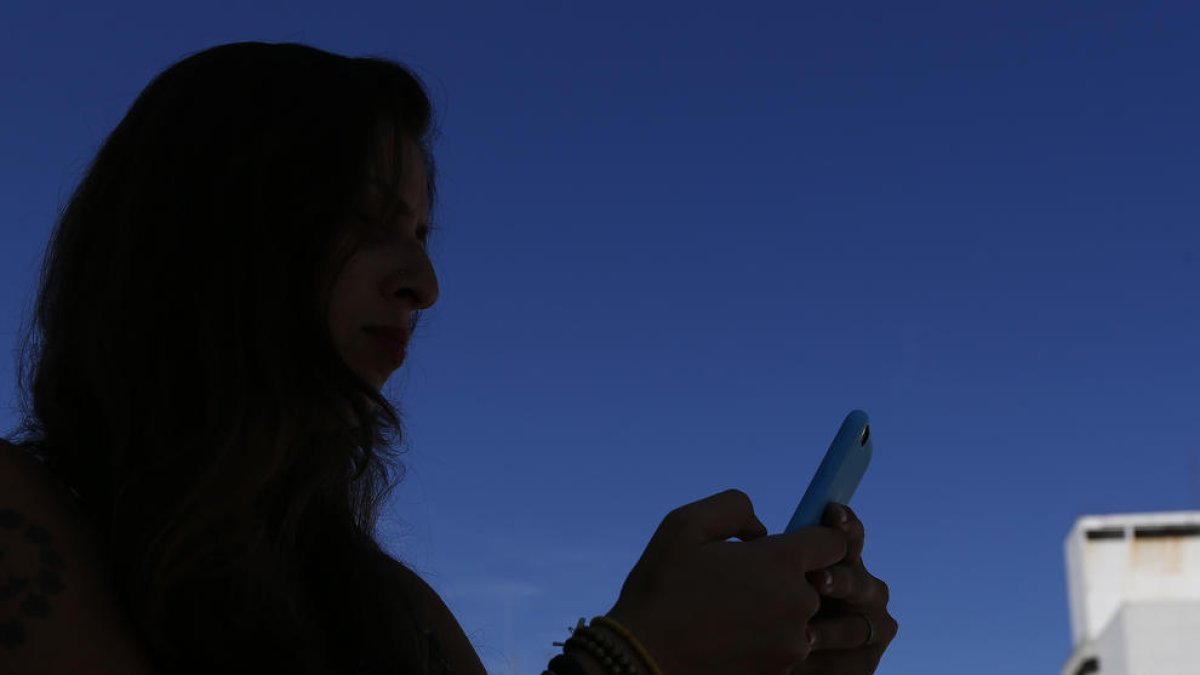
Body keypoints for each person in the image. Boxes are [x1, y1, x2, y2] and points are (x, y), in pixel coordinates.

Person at [0, 41, 896, 675]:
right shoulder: (27, 524)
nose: (425, 282)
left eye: (421, 234)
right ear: (205, 232)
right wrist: (636, 654)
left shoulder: (394, 608)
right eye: (366, 218)